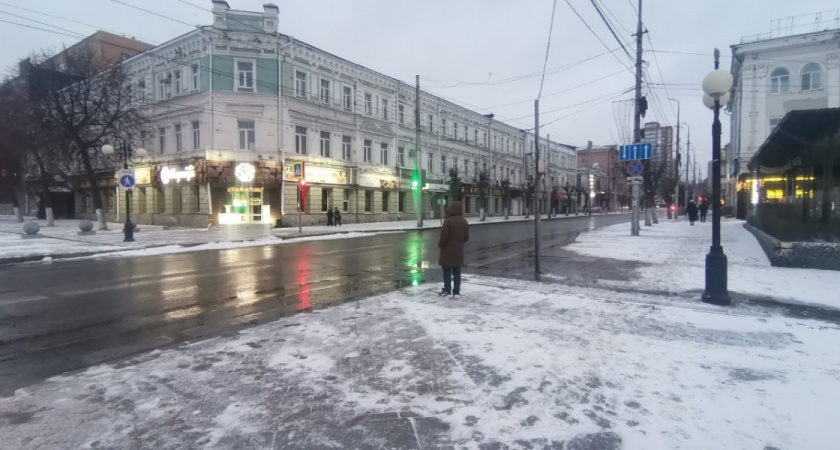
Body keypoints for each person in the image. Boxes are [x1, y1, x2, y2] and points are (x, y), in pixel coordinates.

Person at [438, 201, 469, 298]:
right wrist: (459, 243)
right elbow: (466, 237)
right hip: (458, 251)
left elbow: (444, 237)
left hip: (447, 251)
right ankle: (456, 292)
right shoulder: (464, 221)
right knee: (457, 271)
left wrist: (441, 245)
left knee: (446, 270)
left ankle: (447, 290)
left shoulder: (448, 221)